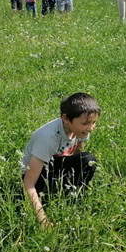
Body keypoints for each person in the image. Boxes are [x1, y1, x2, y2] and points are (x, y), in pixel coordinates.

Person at [21, 93, 100, 230]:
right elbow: (28, 183)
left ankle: (73, 199)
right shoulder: (48, 138)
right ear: (65, 119)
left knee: (88, 160)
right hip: (37, 176)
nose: (91, 128)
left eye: (93, 122)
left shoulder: (81, 131)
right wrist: (43, 221)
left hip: (55, 165)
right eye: (85, 123)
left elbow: (78, 154)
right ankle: (45, 200)